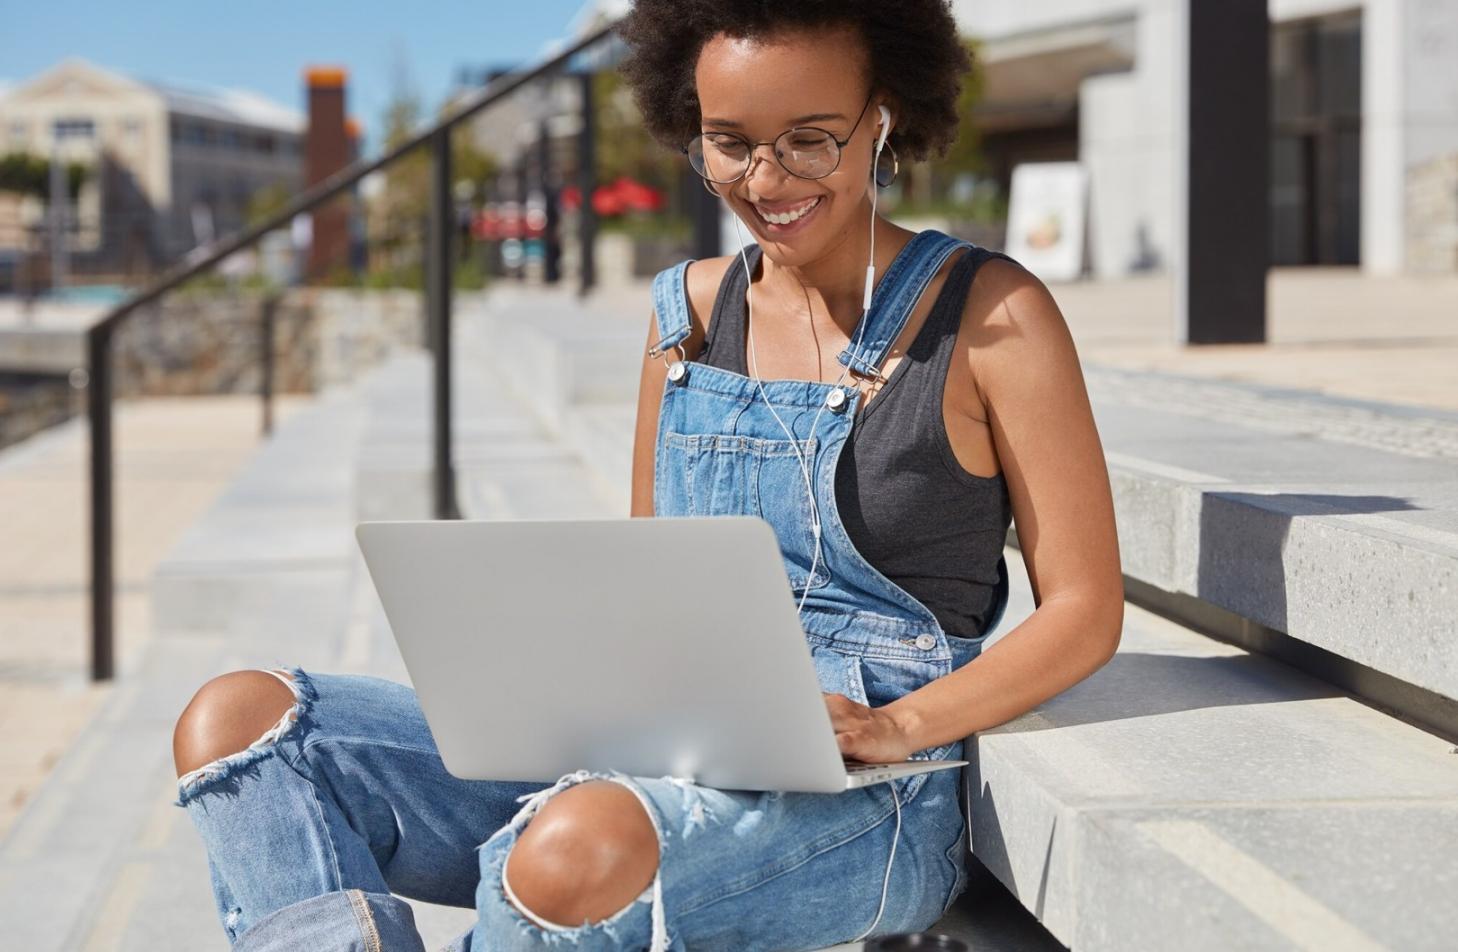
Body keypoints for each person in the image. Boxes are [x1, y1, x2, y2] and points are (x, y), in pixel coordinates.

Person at [169, 2, 1123, 949]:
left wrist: (901, 723)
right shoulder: (689, 318)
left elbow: (1085, 607)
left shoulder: (995, 317)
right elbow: (648, 583)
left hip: (870, 792)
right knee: (245, 728)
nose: (766, 179)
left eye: (809, 140)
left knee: (575, 846)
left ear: (885, 115)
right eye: (730, 142)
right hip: (673, 733)